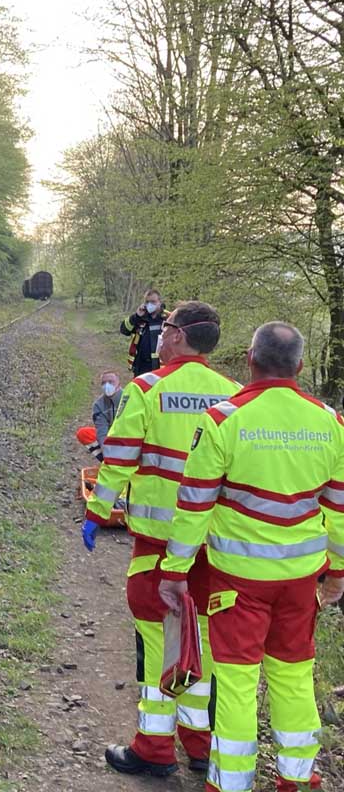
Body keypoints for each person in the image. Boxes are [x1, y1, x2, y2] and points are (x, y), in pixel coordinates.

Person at [158, 322, 344, 792]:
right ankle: (297, 778)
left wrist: (175, 571)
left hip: (238, 580)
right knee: (294, 676)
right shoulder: (330, 422)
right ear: (300, 366)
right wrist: (338, 572)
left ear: (250, 359)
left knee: (238, 684)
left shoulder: (224, 419)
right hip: (302, 580)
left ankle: (230, 783)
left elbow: (194, 504)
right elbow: (340, 509)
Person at [82, 301, 240, 778]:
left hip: (157, 545)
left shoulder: (148, 389)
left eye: (166, 326)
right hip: (211, 548)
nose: (161, 332)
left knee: (157, 643)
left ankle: (153, 748)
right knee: (203, 644)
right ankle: (199, 743)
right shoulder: (234, 396)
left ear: (175, 337)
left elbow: (122, 456)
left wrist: (96, 509)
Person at [76, 371, 122, 462]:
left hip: (132, 437)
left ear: (119, 383)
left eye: (110, 382)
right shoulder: (98, 405)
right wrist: (108, 456)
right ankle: (108, 462)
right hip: (111, 437)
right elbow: (101, 432)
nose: (107, 385)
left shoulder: (130, 398)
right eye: (103, 383)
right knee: (84, 433)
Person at [121, 289, 168, 376]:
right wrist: (136, 316)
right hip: (141, 366)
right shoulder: (140, 318)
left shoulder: (167, 319)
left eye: (153, 302)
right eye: (147, 302)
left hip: (160, 367)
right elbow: (124, 330)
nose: (150, 304)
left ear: (160, 302)